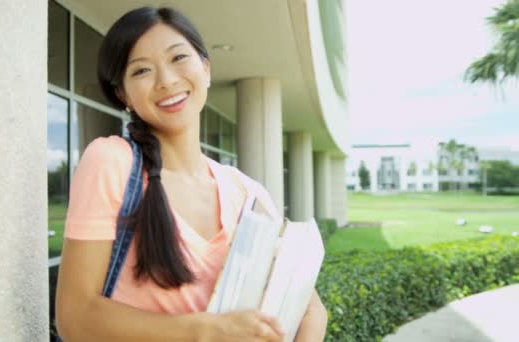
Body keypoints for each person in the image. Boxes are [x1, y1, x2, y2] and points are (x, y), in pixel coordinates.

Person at [55, 6, 327, 342]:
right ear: (123, 95)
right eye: (141, 71)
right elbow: (75, 317)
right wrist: (205, 331)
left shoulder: (247, 194)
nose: (166, 81)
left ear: (206, 69)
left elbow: (307, 308)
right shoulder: (112, 162)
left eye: (179, 58)